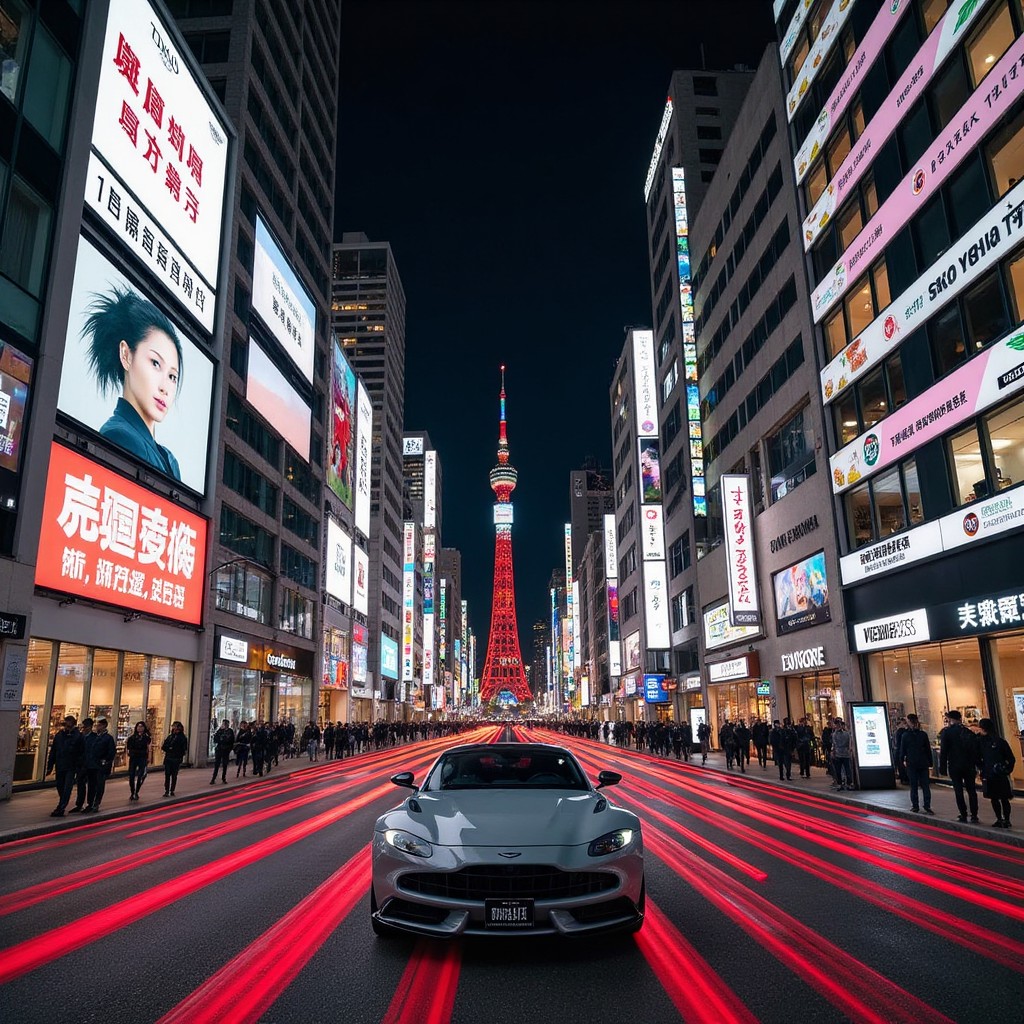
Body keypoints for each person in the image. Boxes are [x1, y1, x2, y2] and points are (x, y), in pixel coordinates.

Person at [81, 285, 184, 480]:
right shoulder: (119, 437)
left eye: (172, 376)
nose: (165, 388)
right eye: (155, 363)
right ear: (126, 355)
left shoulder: (169, 459)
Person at [939, 709, 980, 823]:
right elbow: (974, 750)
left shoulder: (947, 733)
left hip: (955, 765)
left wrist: (942, 767)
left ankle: (963, 814)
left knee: (958, 790)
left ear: (951, 719)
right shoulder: (968, 732)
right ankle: (974, 814)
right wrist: (978, 765)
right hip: (969, 765)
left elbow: (944, 751)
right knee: (971, 790)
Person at [977, 718, 1015, 828]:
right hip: (999, 772)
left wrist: (982, 768)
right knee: (1003, 798)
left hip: (990, 773)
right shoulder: (1000, 741)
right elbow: (1010, 758)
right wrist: (1007, 769)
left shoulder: (982, 742)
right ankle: (1006, 819)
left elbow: (977, 757)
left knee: (995, 798)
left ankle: (1000, 818)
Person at [46, 715, 84, 817]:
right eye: (66, 725)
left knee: (67, 787)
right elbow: (53, 751)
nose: (67, 727)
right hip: (60, 764)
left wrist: (79, 766)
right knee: (60, 786)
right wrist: (50, 765)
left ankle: (61, 807)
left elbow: (81, 753)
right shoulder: (59, 736)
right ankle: (62, 802)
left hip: (71, 766)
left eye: (69, 725)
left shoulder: (78, 736)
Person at [898, 713, 934, 814]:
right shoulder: (923, 735)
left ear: (909, 722)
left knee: (913, 786)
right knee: (925, 786)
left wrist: (901, 762)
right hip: (923, 763)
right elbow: (928, 750)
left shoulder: (905, 735)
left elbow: (902, 750)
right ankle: (927, 805)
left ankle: (915, 806)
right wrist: (930, 762)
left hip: (911, 763)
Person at [86, 718, 117, 812]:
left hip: (101, 765)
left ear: (104, 726)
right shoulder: (94, 737)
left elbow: (111, 752)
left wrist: (106, 762)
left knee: (99, 785)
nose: (97, 727)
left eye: (99, 725)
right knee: (91, 785)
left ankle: (96, 803)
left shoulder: (108, 738)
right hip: (91, 765)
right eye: (96, 725)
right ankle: (90, 803)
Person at [68, 717, 94, 813]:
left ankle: (90, 804)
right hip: (81, 764)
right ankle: (79, 804)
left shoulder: (94, 737)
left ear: (90, 727)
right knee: (80, 784)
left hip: (90, 765)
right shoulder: (80, 737)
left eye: (85, 727)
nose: (84, 729)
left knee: (91, 785)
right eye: (83, 727)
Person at [126, 721, 151, 801]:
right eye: (138, 726)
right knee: (131, 776)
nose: (140, 728)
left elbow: (149, 748)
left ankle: (136, 791)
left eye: (141, 726)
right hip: (134, 758)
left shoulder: (146, 738)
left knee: (141, 775)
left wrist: (148, 758)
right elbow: (128, 748)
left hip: (142, 758)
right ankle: (132, 792)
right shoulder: (132, 738)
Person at [161, 721, 187, 796]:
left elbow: (183, 749)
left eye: (175, 727)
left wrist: (173, 749)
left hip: (176, 759)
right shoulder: (170, 737)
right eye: (173, 727)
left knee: (174, 775)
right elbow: (164, 746)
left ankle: (172, 790)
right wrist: (169, 748)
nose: (174, 728)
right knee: (167, 774)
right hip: (169, 758)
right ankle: (167, 790)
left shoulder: (182, 738)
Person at [831, 718, 854, 790]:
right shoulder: (847, 734)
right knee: (847, 769)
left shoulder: (834, 734)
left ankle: (840, 784)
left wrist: (833, 752)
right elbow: (849, 744)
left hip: (838, 753)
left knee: (838, 770)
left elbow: (834, 744)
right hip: (846, 753)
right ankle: (849, 784)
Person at [210, 719, 235, 785]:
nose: (224, 725)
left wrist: (229, 748)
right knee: (217, 764)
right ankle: (213, 778)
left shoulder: (230, 731)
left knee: (225, 765)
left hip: (226, 750)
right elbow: (215, 739)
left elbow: (231, 741)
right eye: (223, 724)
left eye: (225, 724)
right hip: (219, 749)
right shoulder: (220, 731)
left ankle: (223, 778)